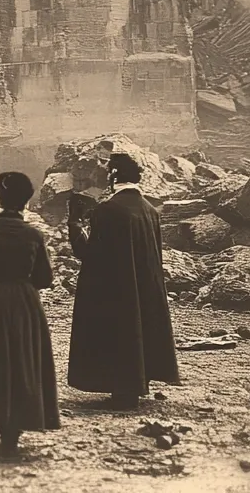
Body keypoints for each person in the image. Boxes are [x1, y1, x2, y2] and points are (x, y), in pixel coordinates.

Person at [67, 150, 180, 409]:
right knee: (139, 327)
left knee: (119, 332)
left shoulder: (108, 210)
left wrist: (74, 223)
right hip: (143, 287)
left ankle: (123, 389)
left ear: (114, 177)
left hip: (114, 289)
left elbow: (88, 253)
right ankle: (138, 382)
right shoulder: (150, 210)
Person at [0, 172, 59, 454]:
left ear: (0, 199)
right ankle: (14, 428)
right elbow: (44, 278)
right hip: (22, 300)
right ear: (26, 202)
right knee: (21, 358)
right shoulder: (32, 234)